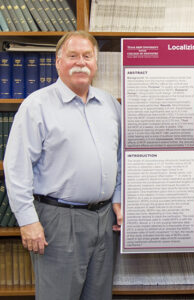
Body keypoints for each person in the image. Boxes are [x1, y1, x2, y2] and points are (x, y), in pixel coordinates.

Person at [4, 31, 122, 300]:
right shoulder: (37, 106)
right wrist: (28, 221)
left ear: (96, 63)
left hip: (104, 221)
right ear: (58, 62)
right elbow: (17, 168)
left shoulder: (109, 104)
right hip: (57, 221)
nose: (80, 62)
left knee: (98, 296)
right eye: (72, 56)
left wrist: (117, 198)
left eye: (87, 56)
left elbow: (119, 159)